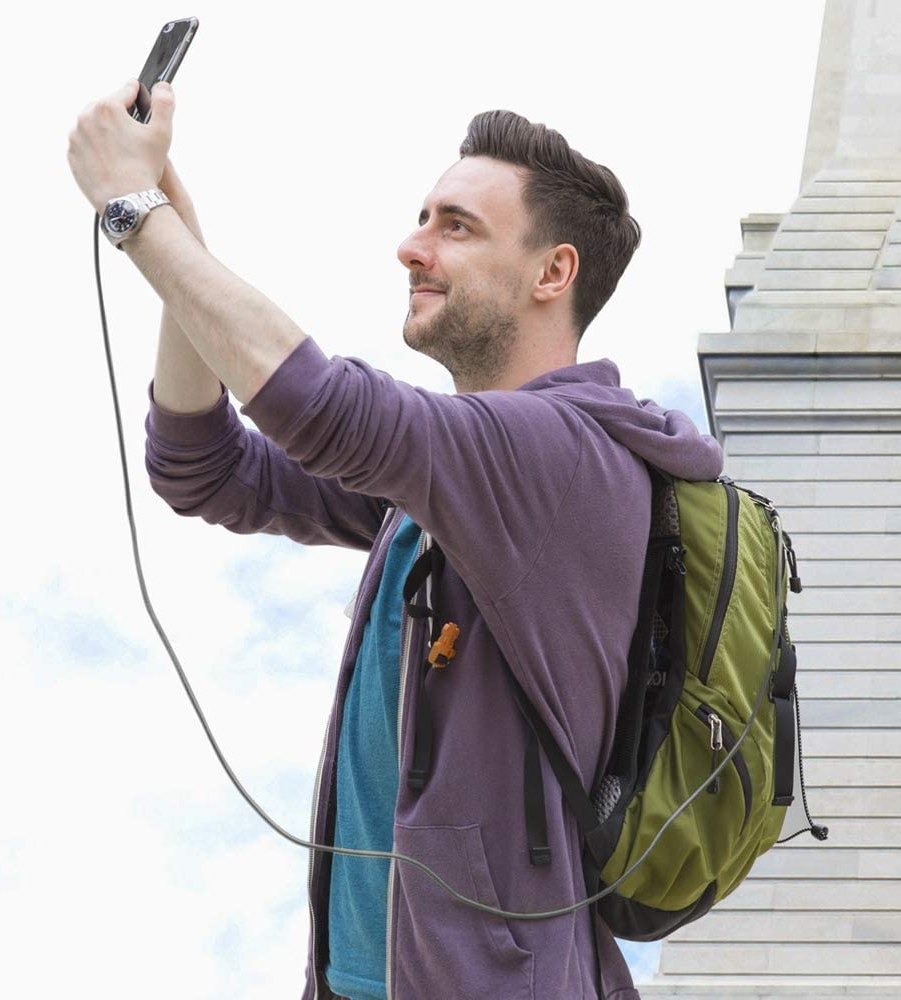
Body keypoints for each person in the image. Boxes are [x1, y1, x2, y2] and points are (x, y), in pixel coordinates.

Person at [136, 109, 724, 999]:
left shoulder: (560, 458)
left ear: (551, 272)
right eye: (424, 219)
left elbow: (318, 407)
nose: (413, 248)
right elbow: (203, 467)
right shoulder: (456, 480)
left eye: (457, 226)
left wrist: (135, 216)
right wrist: (180, 258)